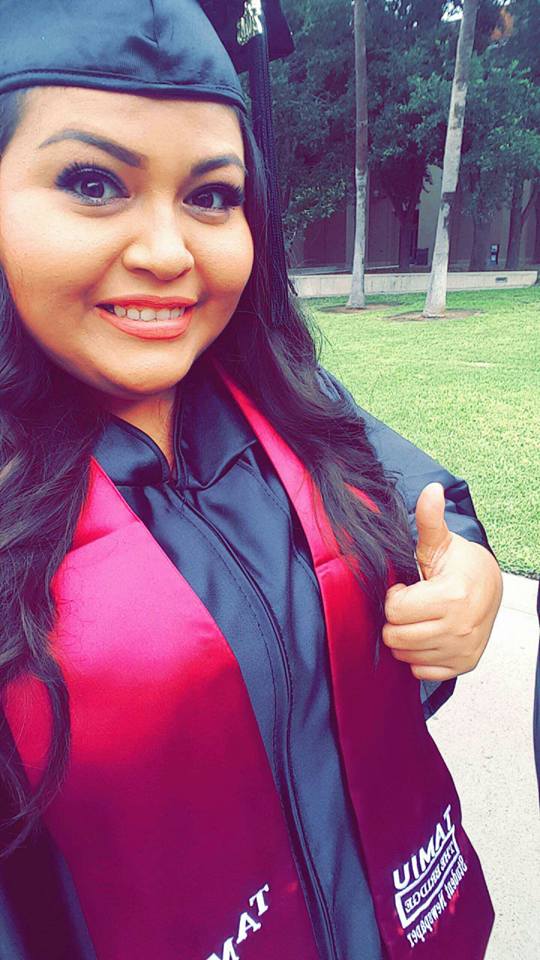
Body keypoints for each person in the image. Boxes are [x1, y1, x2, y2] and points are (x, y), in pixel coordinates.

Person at [0, 2, 502, 958]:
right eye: (94, 182)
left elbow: (425, 507)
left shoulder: (285, 403)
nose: (167, 251)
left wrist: (464, 578)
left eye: (212, 196)